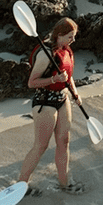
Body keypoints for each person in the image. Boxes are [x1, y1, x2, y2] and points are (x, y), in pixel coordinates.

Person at [17, 18, 83, 194]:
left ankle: (65, 183)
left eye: (74, 37)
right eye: (70, 37)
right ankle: (21, 185)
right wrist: (54, 79)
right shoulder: (45, 54)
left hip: (63, 98)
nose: (73, 40)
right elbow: (32, 83)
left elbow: (68, 76)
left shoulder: (66, 49)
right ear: (60, 35)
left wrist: (75, 93)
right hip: (45, 102)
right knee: (41, 145)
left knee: (64, 141)